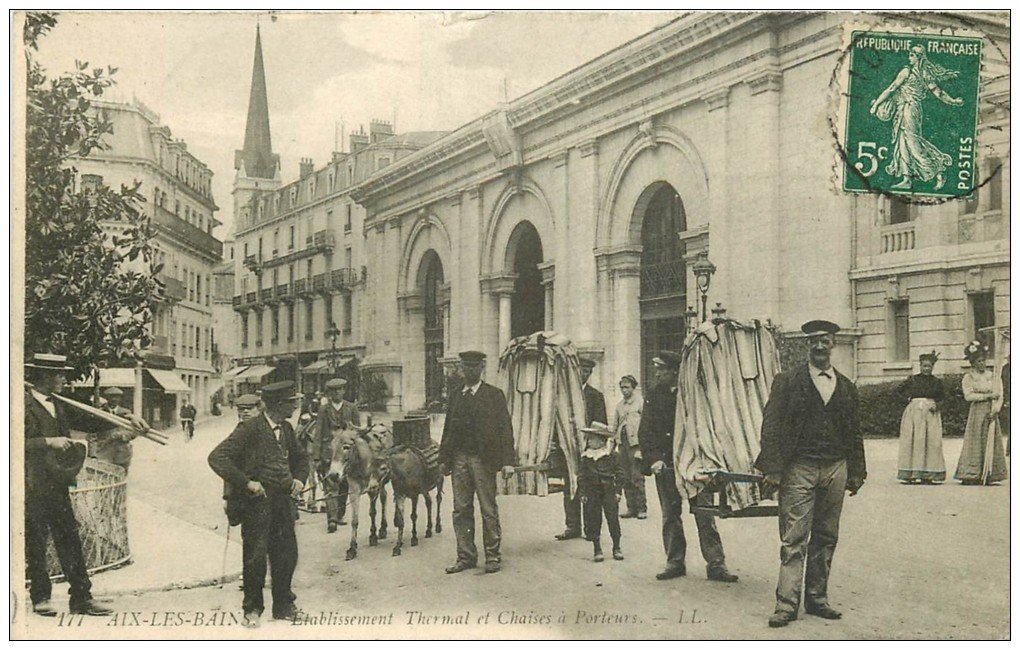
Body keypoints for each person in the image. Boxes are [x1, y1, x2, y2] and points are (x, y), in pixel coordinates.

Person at [757, 320, 867, 629]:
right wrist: (774, 469)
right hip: (799, 468)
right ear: (807, 345)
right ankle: (786, 604)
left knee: (827, 535)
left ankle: (817, 598)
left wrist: (857, 471)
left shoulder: (846, 386)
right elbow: (771, 426)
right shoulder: (787, 381)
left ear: (833, 344)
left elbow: (854, 431)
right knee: (794, 537)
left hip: (835, 467)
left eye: (825, 340)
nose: (820, 346)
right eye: (814, 341)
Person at [24, 353, 145, 617]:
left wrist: (128, 419)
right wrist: (48, 442)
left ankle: (81, 598)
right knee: (36, 541)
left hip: (57, 482)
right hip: (30, 484)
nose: (64, 379)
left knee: (69, 538)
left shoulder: (59, 402)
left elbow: (91, 420)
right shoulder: (19, 403)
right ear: (44, 376)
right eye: (60, 375)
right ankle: (40, 598)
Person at [208, 381, 309, 628]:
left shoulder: (286, 428)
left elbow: (301, 458)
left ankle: (284, 606)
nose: (296, 406)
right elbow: (217, 457)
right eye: (292, 402)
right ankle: (252, 610)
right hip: (257, 505)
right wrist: (247, 483)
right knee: (255, 558)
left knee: (286, 555)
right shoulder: (250, 429)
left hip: (283, 504)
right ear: (279, 404)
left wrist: (299, 479)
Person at [639, 350, 738, 584]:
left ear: (675, 371)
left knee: (705, 514)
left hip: (695, 465)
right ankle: (675, 562)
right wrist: (654, 460)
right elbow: (646, 431)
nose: (657, 373)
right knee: (670, 515)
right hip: (666, 465)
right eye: (657, 369)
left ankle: (716, 564)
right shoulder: (654, 395)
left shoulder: (695, 393)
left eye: (661, 369)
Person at [439, 351, 515, 575]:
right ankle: (466, 556)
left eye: (474, 366)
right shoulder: (455, 396)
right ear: (461, 369)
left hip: (484, 461)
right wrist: (444, 459)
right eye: (466, 367)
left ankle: (492, 555)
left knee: (488, 508)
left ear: (481, 368)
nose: (470, 371)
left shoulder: (494, 395)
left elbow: (505, 430)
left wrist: (508, 461)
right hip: (459, 460)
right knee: (461, 509)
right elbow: (448, 430)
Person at [869, 44, 964, 191]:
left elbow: (893, 88)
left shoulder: (911, 72)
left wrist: (952, 101)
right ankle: (907, 179)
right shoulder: (917, 72)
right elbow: (894, 88)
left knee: (912, 142)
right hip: (903, 109)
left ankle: (937, 170)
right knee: (902, 142)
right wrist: (953, 101)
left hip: (910, 108)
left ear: (918, 57)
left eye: (912, 55)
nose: (909, 57)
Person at [555, 357, 607, 541]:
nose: (583, 374)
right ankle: (572, 526)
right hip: (569, 450)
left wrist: (593, 446)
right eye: (581, 370)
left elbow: (600, 425)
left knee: (590, 489)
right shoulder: (564, 396)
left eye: (587, 371)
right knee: (570, 487)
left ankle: (591, 529)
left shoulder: (595, 395)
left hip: (588, 451)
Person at [954, 342, 1008, 485]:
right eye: (978, 361)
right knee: (975, 440)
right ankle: (972, 473)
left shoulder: (993, 376)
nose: (982, 364)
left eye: (983, 360)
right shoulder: (969, 377)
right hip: (977, 412)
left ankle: (990, 473)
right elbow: (968, 396)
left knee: (990, 438)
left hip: (991, 410)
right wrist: (987, 396)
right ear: (973, 363)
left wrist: (996, 409)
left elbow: (1000, 394)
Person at [312, 378, 360, 533]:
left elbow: (357, 432)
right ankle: (332, 519)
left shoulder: (352, 408)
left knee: (344, 485)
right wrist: (316, 457)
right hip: (329, 453)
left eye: (339, 389)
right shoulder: (323, 410)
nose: (337, 392)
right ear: (329, 393)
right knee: (331, 485)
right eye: (333, 390)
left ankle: (339, 515)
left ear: (344, 391)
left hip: (346, 454)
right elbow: (318, 434)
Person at [896, 352, 946, 484]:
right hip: (914, 414)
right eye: (924, 366)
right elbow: (898, 391)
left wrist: (937, 405)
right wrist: (908, 400)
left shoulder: (937, 382)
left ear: (933, 367)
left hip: (930, 414)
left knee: (932, 442)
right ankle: (911, 473)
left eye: (929, 366)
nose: (926, 369)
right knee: (914, 441)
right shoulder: (913, 380)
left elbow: (942, 398)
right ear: (920, 366)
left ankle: (929, 474)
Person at [578, 421, 625, 562]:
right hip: (592, 492)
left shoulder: (612, 456)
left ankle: (616, 547)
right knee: (594, 519)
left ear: (602, 441)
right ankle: (597, 548)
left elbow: (620, 474)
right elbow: (582, 477)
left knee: (613, 519)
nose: (589, 441)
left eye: (592, 438)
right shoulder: (586, 457)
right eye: (588, 439)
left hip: (609, 490)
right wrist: (583, 493)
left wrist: (618, 491)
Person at [612, 374, 646, 519]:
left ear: (633, 387)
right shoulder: (619, 406)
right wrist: (613, 444)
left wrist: (643, 446)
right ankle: (631, 507)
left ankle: (641, 508)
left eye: (627, 387)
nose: (624, 390)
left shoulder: (640, 403)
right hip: (622, 444)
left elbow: (645, 425)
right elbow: (615, 426)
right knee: (625, 476)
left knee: (636, 476)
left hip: (635, 444)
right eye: (622, 387)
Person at [90, 386, 136, 473]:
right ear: (107, 398)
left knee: (121, 476)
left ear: (120, 398)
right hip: (104, 452)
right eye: (112, 396)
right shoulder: (100, 412)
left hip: (122, 452)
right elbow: (92, 434)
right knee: (104, 476)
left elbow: (133, 431)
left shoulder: (126, 413)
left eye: (117, 397)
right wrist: (92, 455)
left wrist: (123, 435)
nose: (114, 399)